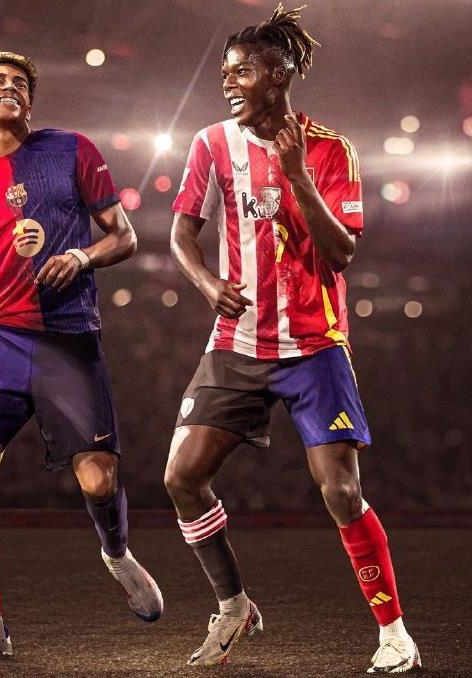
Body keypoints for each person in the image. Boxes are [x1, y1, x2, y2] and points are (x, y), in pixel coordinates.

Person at [164, 5, 420, 673]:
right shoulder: (211, 144)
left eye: (242, 71)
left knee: (341, 493)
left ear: (278, 75)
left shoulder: (332, 148)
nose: (228, 83)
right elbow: (181, 232)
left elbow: (341, 254)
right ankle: (233, 606)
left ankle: (394, 633)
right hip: (237, 341)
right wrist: (206, 283)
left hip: (313, 345)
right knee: (182, 477)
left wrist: (298, 173)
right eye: (225, 73)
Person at [0, 51, 163, 660]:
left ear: (30, 103)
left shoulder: (71, 150)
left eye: (20, 82)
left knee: (99, 478)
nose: (9, 87)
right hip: (3, 337)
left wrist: (82, 257)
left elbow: (124, 236)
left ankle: (116, 553)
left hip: (69, 336)